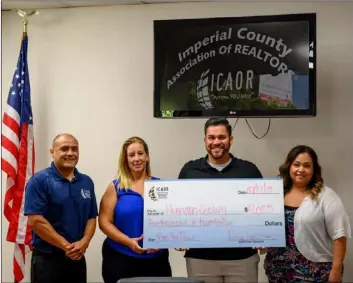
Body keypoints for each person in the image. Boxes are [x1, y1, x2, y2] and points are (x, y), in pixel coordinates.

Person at [177, 117, 263, 283]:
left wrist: (265, 236)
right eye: (211, 138)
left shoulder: (249, 170)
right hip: (200, 259)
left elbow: (262, 210)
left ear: (230, 140)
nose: (216, 142)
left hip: (242, 259)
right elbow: (179, 210)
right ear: (205, 140)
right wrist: (179, 237)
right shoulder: (189, 170)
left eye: (221, 137)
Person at [264, 145, 352, 283]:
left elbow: (339, 236)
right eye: (296, 165)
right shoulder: (275, 193)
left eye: (306, 165)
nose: (301, 170)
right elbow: (265, 226)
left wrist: (336, 270)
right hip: (278, 271)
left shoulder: (326, 196)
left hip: (315, 273)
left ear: (313, 169)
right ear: (289, 167)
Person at [24, 133, 98, 283]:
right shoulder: (39, 181)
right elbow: (35, 221)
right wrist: (67, 246)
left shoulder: (86, 182)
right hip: (48, 261)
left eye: (74, 149)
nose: (70, 153)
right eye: (64, 149)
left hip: (77, 259)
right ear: (52, 152)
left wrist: (84, 243)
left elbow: (91, 217)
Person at [98, 136, 172, 283]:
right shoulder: (116, 187)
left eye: (140, 153)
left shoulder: (161, 187)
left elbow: (171, 220)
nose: (136, 159)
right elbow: (104, 222)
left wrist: (166, 241)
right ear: (125, 160)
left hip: (156, 260)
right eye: (131, 155)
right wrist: (128, 242)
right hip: (120, 258)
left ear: (147, 156)